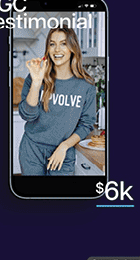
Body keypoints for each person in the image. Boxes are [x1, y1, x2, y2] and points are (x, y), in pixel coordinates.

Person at [16, 23, 100, 177]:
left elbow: (86, 124)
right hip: (31, 151)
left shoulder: (86, 85)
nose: (57, 50)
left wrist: (64, 146)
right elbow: (27, 115)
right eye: (52, 44)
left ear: (72, 48)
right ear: (47, 49)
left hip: (63, 152)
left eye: (63, 44)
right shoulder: (36, 77)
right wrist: (36, 82)